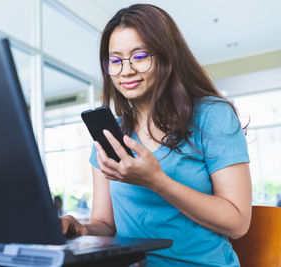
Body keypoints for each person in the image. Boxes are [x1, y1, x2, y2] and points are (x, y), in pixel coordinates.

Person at [60, 4, 252, 266]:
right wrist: (79, 226)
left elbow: (238, 223)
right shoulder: (109, 135)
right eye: (115, 60)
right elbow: (104, 223)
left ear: (167, 57)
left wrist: (157, 181)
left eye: (139, 56)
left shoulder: (211, 116)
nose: (125, 71)